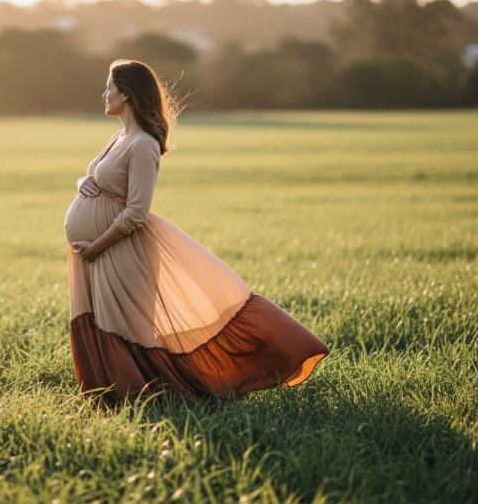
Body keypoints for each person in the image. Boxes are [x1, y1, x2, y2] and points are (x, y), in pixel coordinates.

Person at [64, 59, 329, 404]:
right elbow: (99, 177)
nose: (105, 93)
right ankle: (109, 394)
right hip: (96, 252)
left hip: (119, 249)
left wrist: (98, 245)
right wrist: (84, 182)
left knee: (124, 326)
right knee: (100, 320)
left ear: (126, 94)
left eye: (109, 87)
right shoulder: (119, 137)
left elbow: (137, 212)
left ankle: (152, 396)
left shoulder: (143, 144)